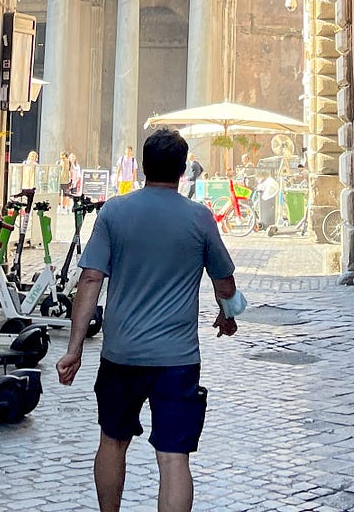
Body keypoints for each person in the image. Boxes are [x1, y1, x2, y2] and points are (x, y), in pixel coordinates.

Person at [57, 128, 246, 512]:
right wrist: (227, 315)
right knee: (174, 457)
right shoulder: (199, 218)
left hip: (121, 354)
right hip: (177, 359)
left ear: (143, 166)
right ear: (183, 169)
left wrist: (74, 349)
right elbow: (224, 281)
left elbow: (90, 278)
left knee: (112, 441)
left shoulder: (114, 212)